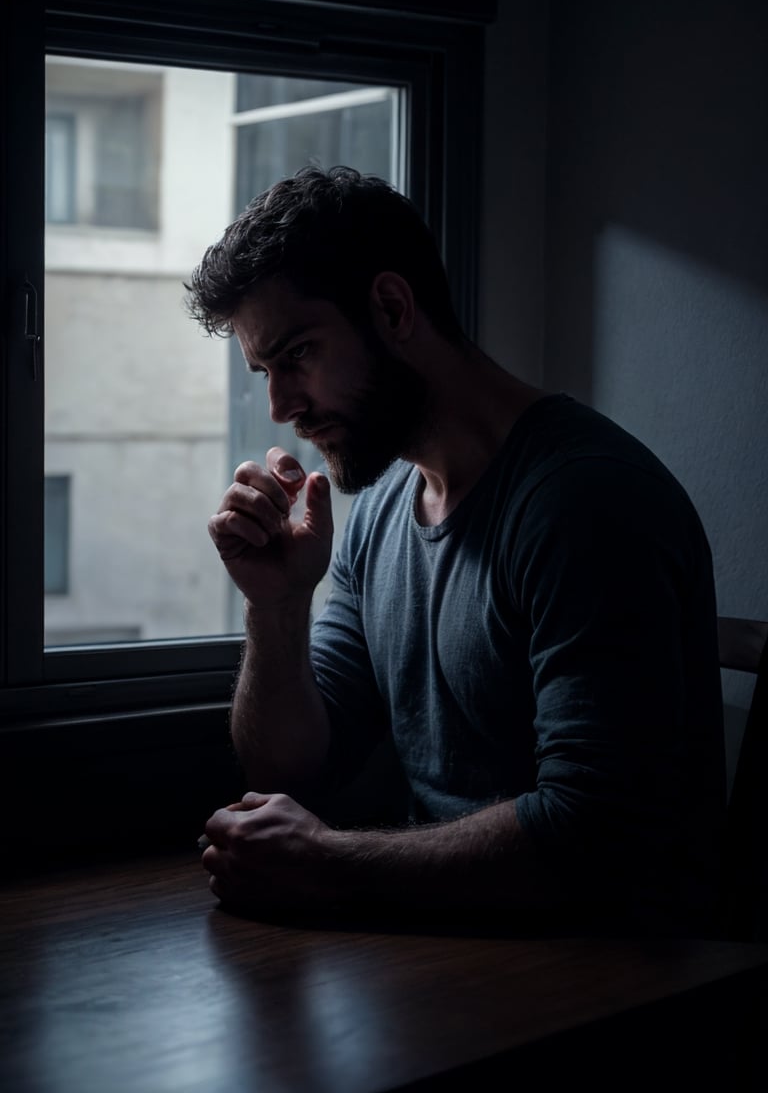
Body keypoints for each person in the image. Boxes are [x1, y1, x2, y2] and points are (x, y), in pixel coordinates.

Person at [185, 164, 726, 936]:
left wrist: (327, 863)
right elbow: (294, 767)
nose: (282, 407)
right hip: (452, 948)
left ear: (393, 307)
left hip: (609, 982)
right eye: (266, 373)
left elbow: (596, 836)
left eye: (298, 354)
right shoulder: (378, 512)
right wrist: (276, 607)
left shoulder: (586, 502)